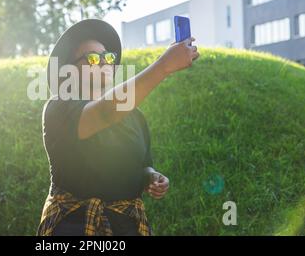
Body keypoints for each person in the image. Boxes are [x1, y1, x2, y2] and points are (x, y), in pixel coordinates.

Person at [37, 19, 199, 236]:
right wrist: (164, 66)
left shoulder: (134, 115)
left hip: (128, 226)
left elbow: (143, 164)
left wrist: (151, 176)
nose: (104, 62)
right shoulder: (58, 107)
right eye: (93, 58)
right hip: (74, 226)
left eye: (108, 56)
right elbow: (104, 113)